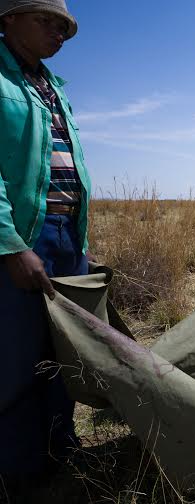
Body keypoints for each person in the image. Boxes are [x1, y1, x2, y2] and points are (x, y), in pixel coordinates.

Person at [0, 0, 91, 486]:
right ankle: (20, 474)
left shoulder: (54, 87)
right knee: (17, 357)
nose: (57, 33)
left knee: (63, 354)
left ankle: (64, 452)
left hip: (64, 236)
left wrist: (81, 240)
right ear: (9, 19)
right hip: (21, 235)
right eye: (46, 22)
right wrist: (11, 245)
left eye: (62, 27)